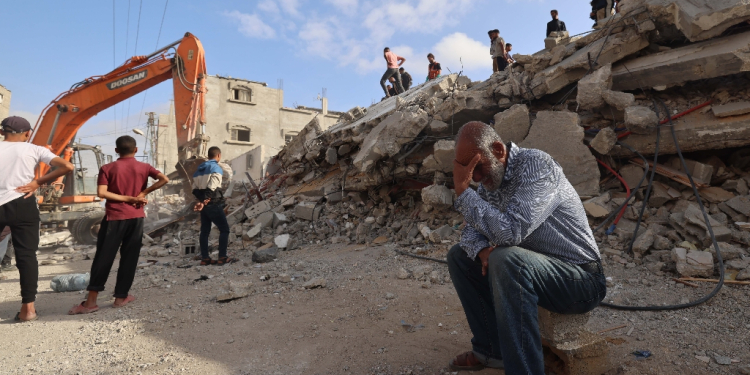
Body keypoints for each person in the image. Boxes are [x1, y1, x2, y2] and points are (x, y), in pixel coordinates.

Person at [447, 122, 605, 374]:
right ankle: (491, 351)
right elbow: (469, 233)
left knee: (506, 259)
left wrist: (463, 192)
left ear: (498, 150)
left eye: (478, 167)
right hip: (534, 271)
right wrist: (481, 250)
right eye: (468, 173)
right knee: (459, 256)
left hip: (581, 280)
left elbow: (512, 232)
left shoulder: (537, 166)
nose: (474, 178)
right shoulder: (491, 183)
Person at [68, 135, 168, 315]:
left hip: (114, 218)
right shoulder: (144, 167)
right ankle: (121, 297)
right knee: (129, 257)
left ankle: (91, 302)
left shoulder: (107, 168)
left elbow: (102, 193)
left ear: (116, 151)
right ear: (135, 150)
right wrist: (142, 193)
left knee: (104, 257)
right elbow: (164, 179)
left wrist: (126, 198)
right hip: (136, 218)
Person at [0, 116, 74, 322]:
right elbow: (67, 167)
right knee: (26, 257)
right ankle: (28, 310)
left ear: (1, 132)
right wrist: (36, 183)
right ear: (28, 133)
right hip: (23, 203)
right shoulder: (34, 149)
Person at [192, 146, 237, 266]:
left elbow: (194, 189)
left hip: (204, 205)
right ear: (218, 156)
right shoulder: (216, 168)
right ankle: (222, 257)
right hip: (213, 203)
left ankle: (205, 258)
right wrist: (205, 200)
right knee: (224, 229)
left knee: (204, 231)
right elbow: (212, 187)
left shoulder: (199, 170)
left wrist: (201, 201)